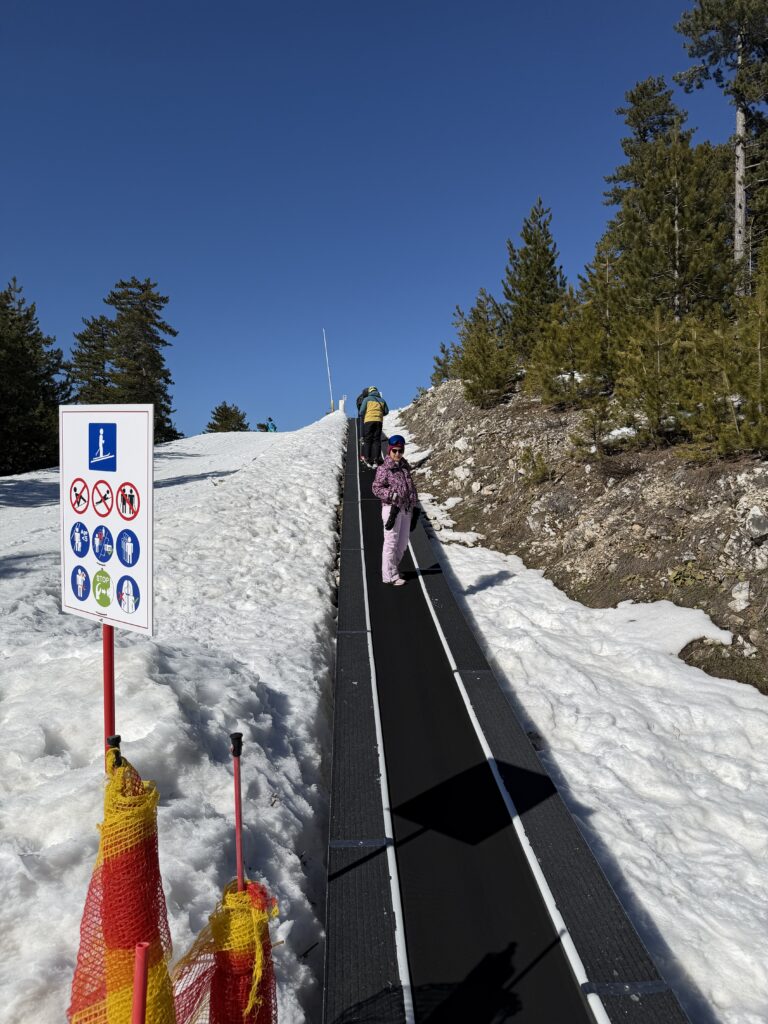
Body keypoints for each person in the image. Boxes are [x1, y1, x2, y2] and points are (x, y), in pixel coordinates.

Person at [372, 435, 421, 586]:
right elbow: (376, 488)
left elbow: (410, 488)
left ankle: (394, 569)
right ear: (390, 451)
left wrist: (415, 505)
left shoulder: (405, 467)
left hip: (406, 509)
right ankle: (390, 576)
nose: (398, 454)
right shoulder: (384, 468)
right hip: (391, 508)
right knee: (391, 542)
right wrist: (391, 495)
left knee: (402, 543)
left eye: (400, 451)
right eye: (395, 451)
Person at [359, 386, 389, 468]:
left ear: (369, 392)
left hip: (369, 421)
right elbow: (386, 411)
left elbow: (361, 411)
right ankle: (376, 460)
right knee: (377, 440)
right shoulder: (382, 400)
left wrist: (365, 414)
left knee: (368, 439)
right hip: (378, 421)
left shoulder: (367, 399)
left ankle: (368, 458)